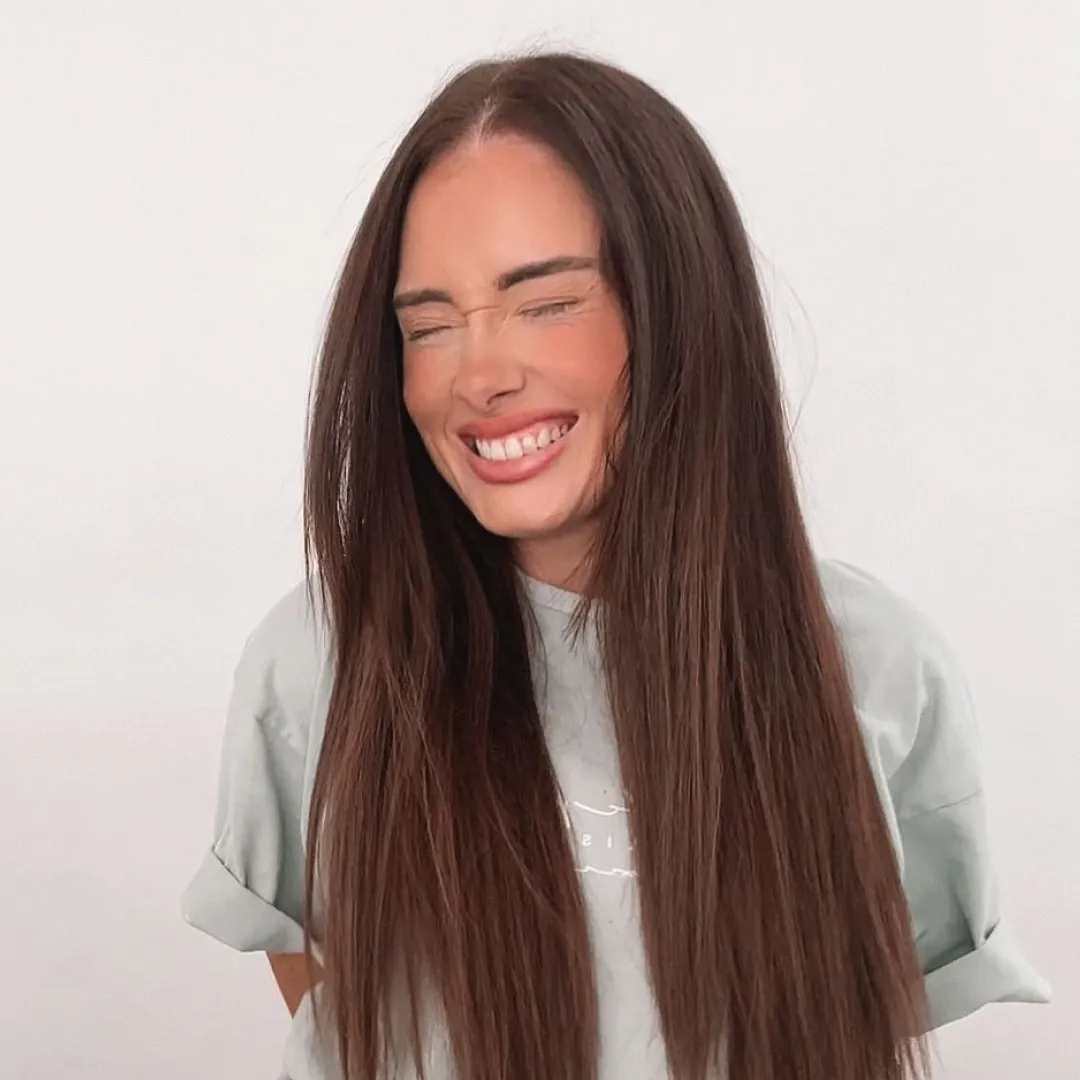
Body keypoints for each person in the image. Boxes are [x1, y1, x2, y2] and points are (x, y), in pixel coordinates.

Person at [181, 50, 1050, 1080]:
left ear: (679, 306)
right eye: (429, 325)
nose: (479, 374)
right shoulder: (319, 662)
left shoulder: (877, 666)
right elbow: (321, 975)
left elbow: (874, 1007)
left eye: (547, 303)